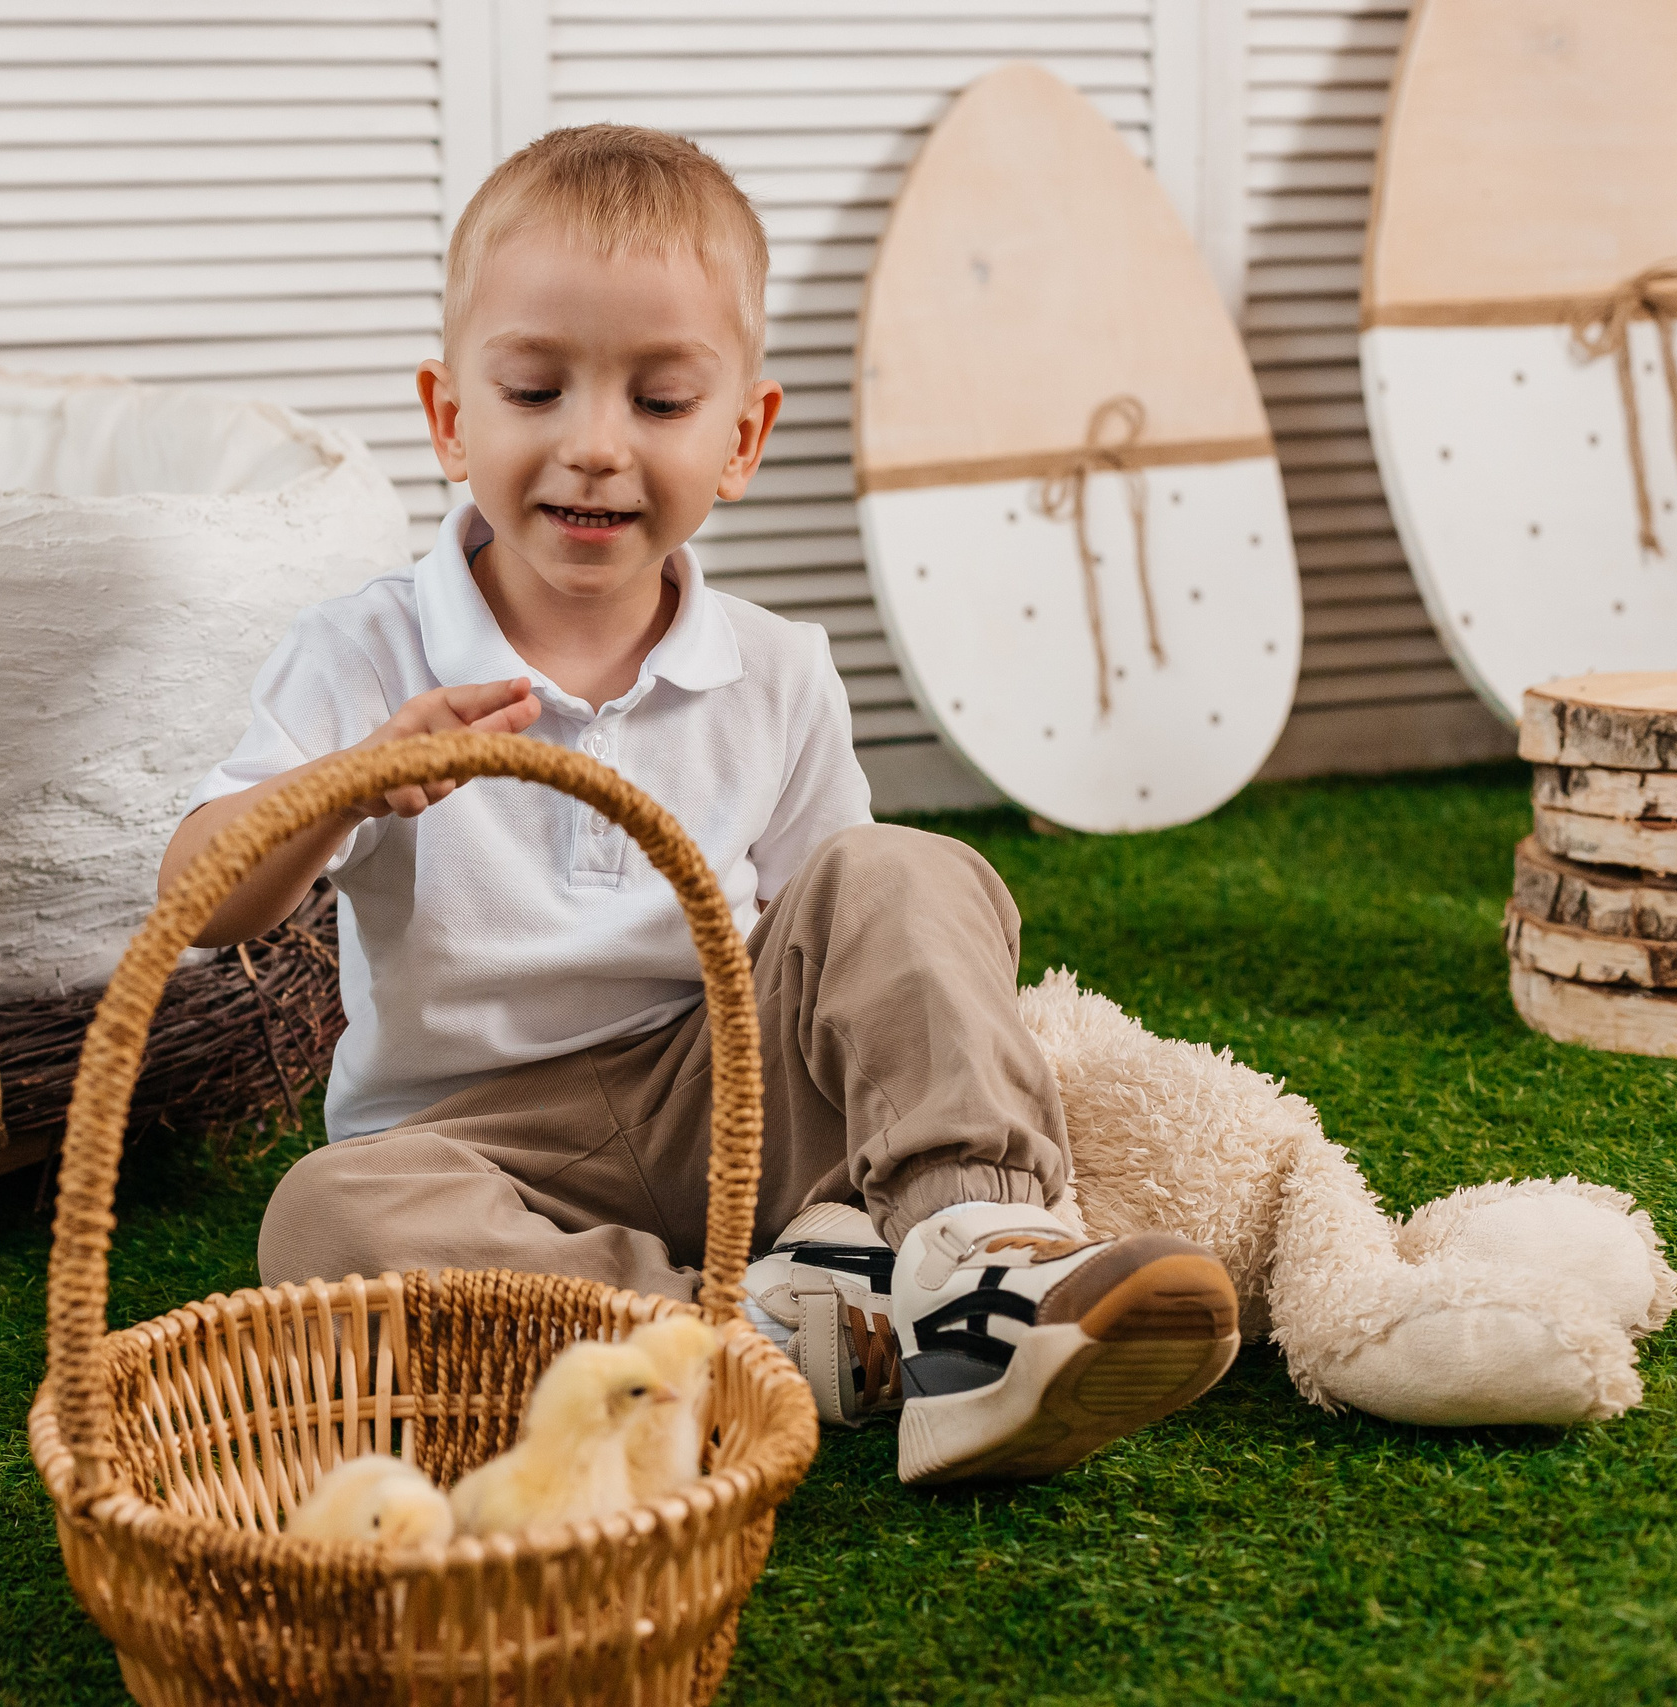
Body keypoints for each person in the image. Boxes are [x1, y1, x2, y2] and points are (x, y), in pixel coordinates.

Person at [160, 125, 1239, 1486]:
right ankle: (745, 1329)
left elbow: (834, 934)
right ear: (450, 419)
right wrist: (346, 782)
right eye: (537, 390)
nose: (596, 448)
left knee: (903, 870)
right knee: (321, 1218)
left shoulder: (779, 667)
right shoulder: (364, 652)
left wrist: (868, 1086)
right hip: (472, 1142)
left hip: (719, 1082)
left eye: (661, 403)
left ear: (743, 436)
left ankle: (981, 1265)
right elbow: (196, 906)